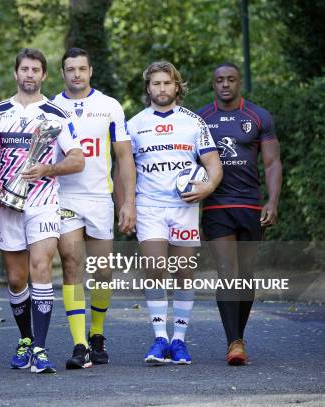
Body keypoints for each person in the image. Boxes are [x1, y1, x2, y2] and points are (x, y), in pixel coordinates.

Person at [0, 48, 85, 374]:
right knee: (17, 279)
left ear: (44, 75)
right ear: (16, 73)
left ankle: (41, 350)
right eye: (24, 69)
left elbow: (77, 159)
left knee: (40, 268)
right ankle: (26, 340)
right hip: (7, 205)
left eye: (35, 70)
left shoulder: (57, 114)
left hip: (43, 204)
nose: (29, 74)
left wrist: (48, 168)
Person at [127, 61, 222, 365]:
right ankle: (159, 338)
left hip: (184, 207)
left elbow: (213, 165)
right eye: (156, 83)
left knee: (183, 273)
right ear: (148, 88)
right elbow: (124, 171)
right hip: (149, 205)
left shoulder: (194, 123)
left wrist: (207, 189)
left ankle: (178, 342)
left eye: (167, 83)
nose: (162, 88)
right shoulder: (135, 124)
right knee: (155, 267)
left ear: (177, 87)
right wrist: (126, 205)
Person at [51, 47, 136, 369]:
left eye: (82, 68)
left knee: (102, 270)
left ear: (90, 71)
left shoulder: (109, 106)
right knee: (72, 264)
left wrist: (128, 202)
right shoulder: (52, 107)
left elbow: (124, 156)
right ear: (62, 73)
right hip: (64, 198)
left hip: (100, 198)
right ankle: (79, 344)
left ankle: (97, 332)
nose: (76, 74)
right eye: (70, 69)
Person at [197, 62, 282, 365]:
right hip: (217, 205)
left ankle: (239, 336)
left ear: (239, 82)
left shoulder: (258, 117)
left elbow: (272, 163)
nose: (225, 85)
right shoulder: (201, 119)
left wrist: (272, 202)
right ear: (213, 83)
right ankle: (233, 342)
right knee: (226, 270)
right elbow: (189, 163)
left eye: (231, 79)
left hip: (250, 206)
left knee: (245, 275)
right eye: (220, 80)